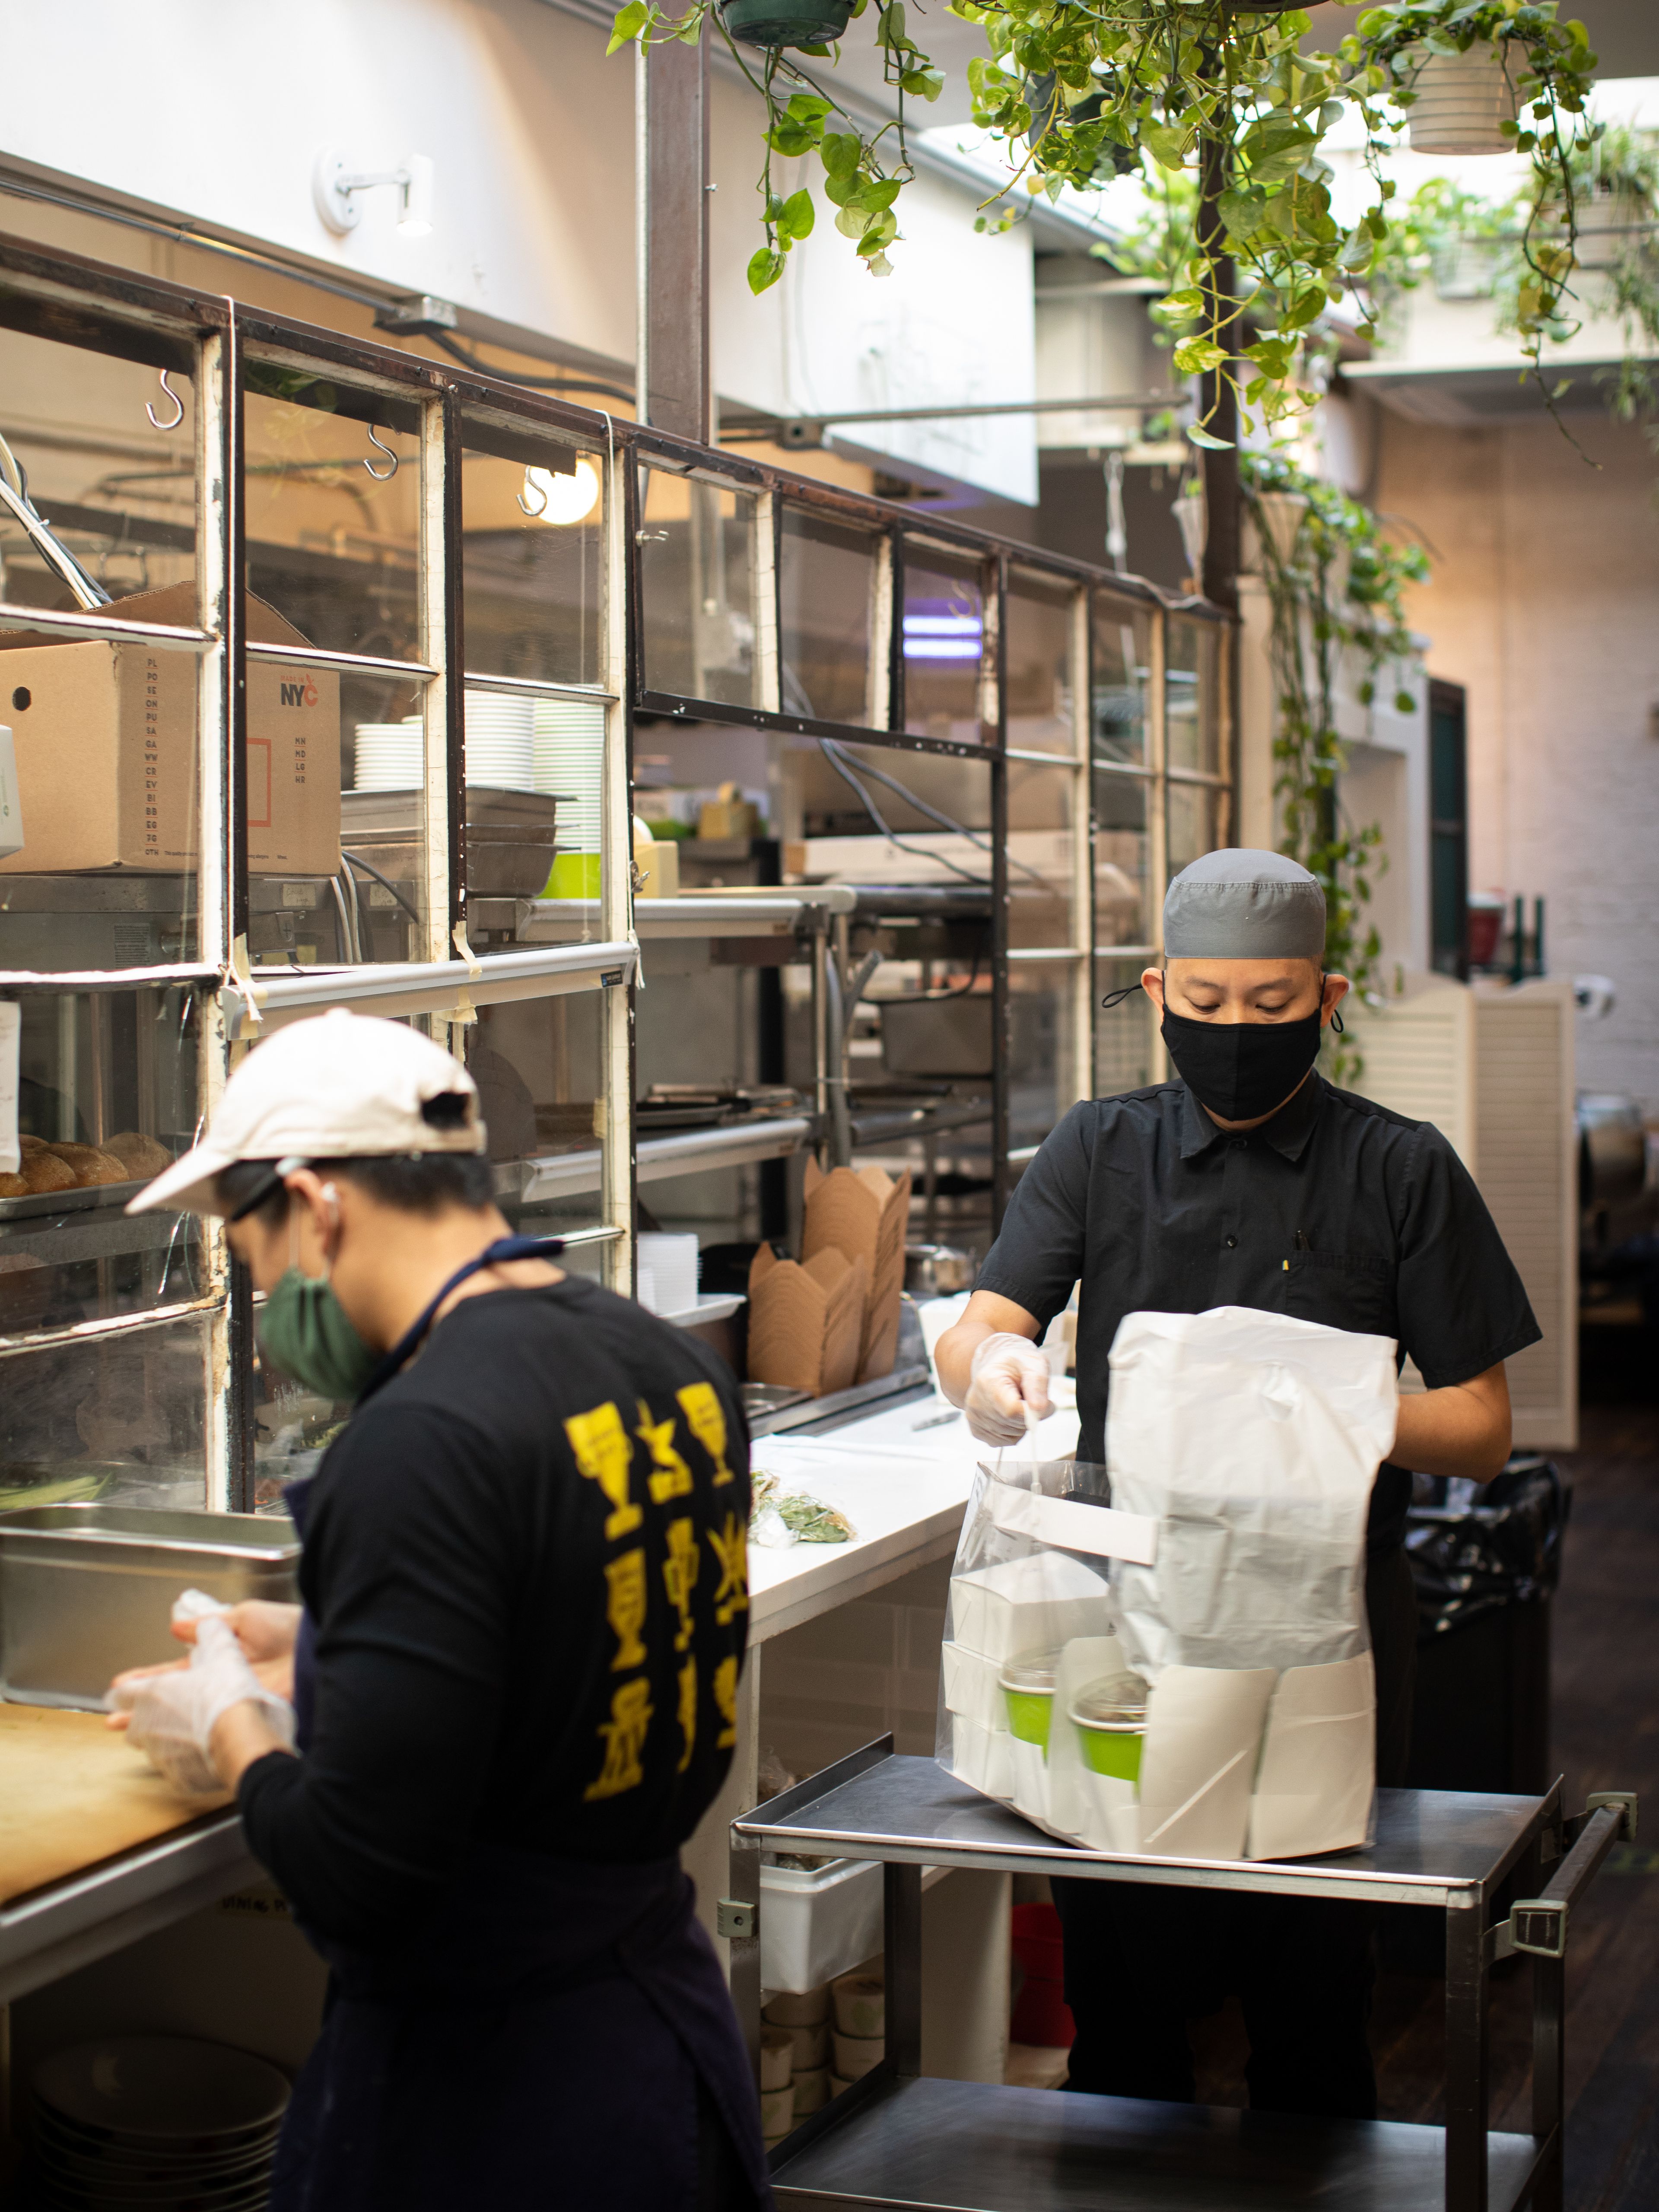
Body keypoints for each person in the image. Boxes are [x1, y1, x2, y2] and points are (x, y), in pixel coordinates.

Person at [107, 1008, 772, 2212]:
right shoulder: (661, 1361)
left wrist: (229, 1724)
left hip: (497, 2106)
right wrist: (330, 1650)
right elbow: (576, 1635)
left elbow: (359, 1877)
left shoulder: (416, 1439)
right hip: (656, 2048)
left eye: (258, 1261)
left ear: (317, 1204)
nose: (271, 1304)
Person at [936, 849, 1541, 2119]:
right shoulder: (1099, 1150)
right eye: (1205, 1007)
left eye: (1272, 1009)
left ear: (1326, 1000)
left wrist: (1308, 1415)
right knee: (1126, 2016)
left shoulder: (1400, 1169)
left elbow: (1482, 1429)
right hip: (1125, 1626)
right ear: (1157, 992)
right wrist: (993, 1361)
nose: (1235, 1035)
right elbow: (983, 1323)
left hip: (1324, 1631)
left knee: (1312, 2013)